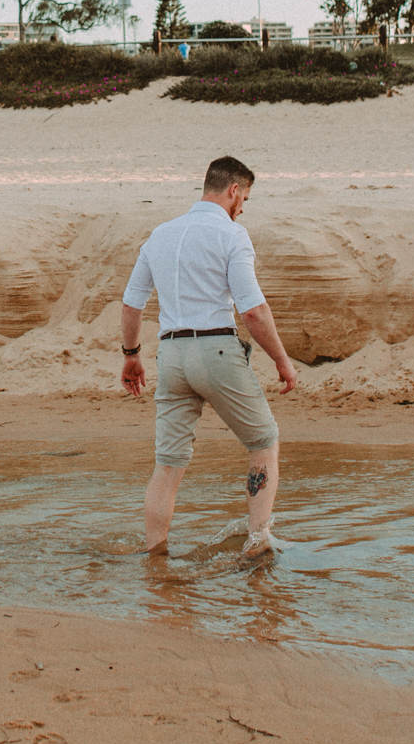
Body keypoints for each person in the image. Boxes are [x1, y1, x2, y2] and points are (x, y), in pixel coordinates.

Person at [120, 155, 299, 559]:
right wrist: (282, 361)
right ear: (234, 190)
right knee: (263, 440)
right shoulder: (232, 235)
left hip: (171, 355)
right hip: (216, 349)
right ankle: (258, 541)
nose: (242, 208)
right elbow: (252, 310)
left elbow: (132, 304)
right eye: (245, 198)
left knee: (167, 465)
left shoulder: (160, 234)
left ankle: (156, 561)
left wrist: (132, 355)